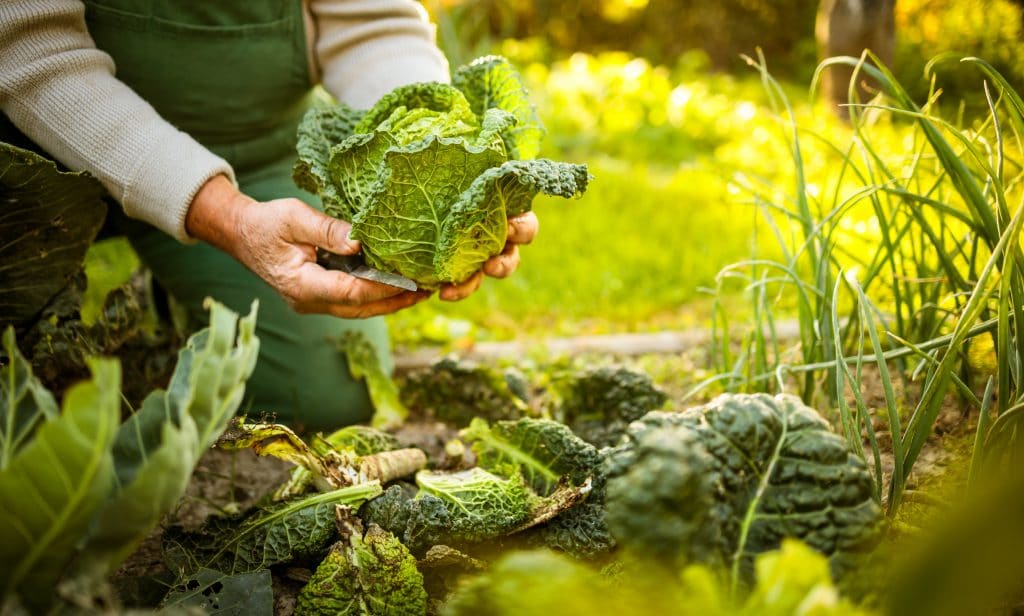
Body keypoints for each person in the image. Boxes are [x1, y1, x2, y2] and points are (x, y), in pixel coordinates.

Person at [0, 0, 539, 430]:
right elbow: (29, 48)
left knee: (329, 397)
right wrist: (226, 218)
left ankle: (174, 291)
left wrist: (452, 165)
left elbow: (374, 24)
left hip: (250, 152)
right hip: (35, 151)